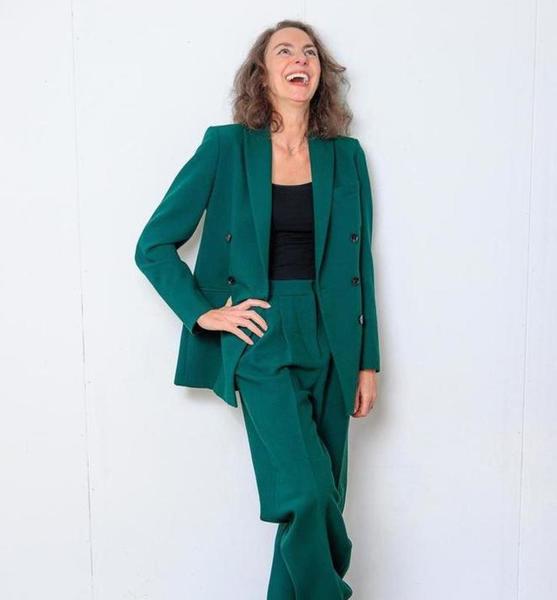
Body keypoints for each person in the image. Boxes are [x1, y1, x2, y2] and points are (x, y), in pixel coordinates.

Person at [135, 19, 380, 600]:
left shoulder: (346, 157)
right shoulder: (226, 147)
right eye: (284, 51)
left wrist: (367, 361)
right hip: (261, 334)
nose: (300, 60)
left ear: (320, 73)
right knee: (305, 494)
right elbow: (153, 245)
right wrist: (204, 313)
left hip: (333, 340)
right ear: (262, 73)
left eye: (310, 52)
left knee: (320, 502)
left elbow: (360, 265)